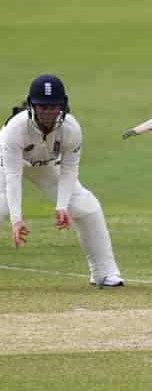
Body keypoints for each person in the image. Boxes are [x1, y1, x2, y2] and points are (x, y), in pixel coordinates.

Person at [0, 74, 124, 287]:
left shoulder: (71, 129)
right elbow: (13, 176)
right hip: (6, 166)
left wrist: (62, 206)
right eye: (42, 107)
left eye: (53, 107)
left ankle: (104, 273)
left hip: (45, 165)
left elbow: (69, 169)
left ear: (63, 106)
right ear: (32, 106)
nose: (48, 113)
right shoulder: (15, 129)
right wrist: (17, 220)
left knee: (86, 207)